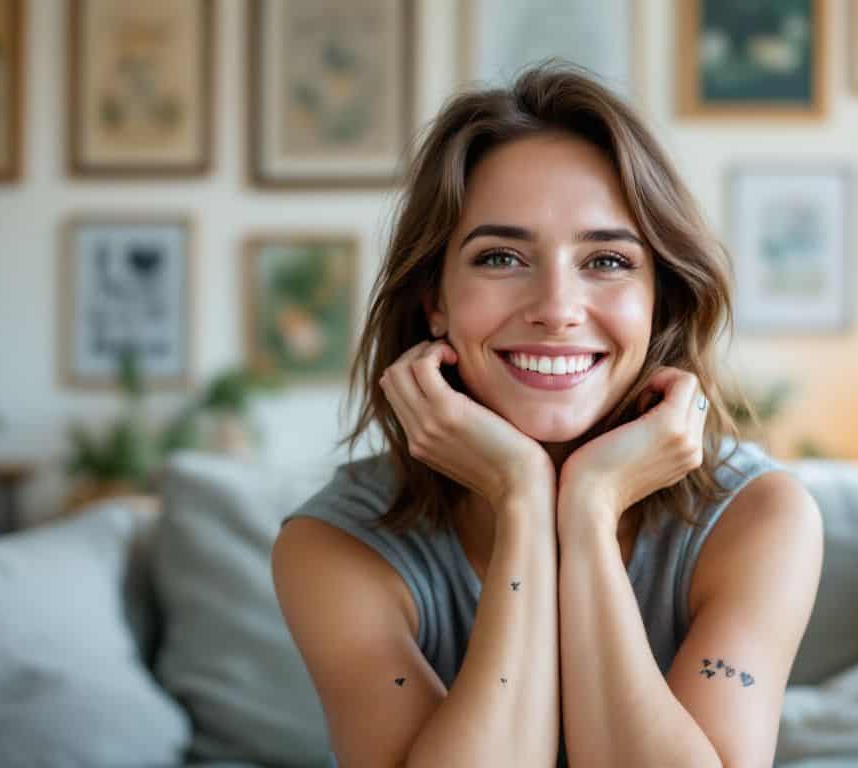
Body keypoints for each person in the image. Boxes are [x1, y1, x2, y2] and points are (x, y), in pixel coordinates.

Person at [272, 63, 823, 768]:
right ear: (435, 300)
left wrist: (588, 508)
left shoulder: (761, 517)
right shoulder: (335, 547)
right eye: (501, 256)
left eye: (607, 261)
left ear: (661, 298)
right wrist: (523, 498)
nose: (557, 307)